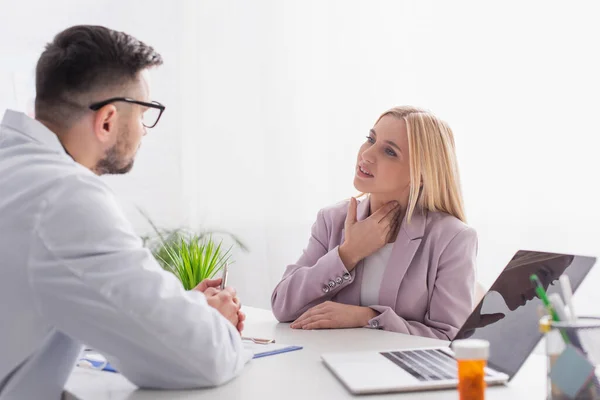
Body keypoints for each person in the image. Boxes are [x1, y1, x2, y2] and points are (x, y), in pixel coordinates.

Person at [0, 25, 250, 400]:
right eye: (146, 113)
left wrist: (183, 311)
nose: (146, 131)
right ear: (107, 121)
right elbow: (202, 359)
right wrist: (212, 323)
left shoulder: (15, 167)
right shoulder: (63, 198)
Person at [271, 106, 476, 339]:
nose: (366, 155)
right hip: (332, 363)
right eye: (370, 139)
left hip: (402, 372)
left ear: (420, 175)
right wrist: (348, 254)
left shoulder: (452, 238)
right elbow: (282, 306)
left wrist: (367, 317)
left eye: (389, 151)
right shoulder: (332, 220)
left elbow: (450, 338)